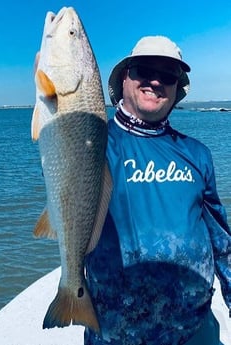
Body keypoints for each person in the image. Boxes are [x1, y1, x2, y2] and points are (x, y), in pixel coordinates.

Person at [84, 36, 231, 345]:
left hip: (194, 330)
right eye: (143, 70)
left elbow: (221, 241)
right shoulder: (92, 146)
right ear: (125, 78)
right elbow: (60, 128)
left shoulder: (197, 153)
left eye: (167, 75)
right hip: (116, 333)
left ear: (177, 88)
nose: (155, 80)